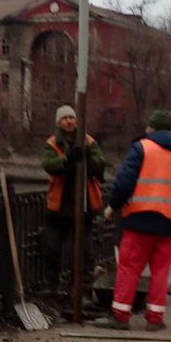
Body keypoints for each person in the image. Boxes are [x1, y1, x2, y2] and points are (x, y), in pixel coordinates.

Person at [96, 110, 171, 331]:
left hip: (140, 219)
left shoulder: (142, 148)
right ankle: (155, 319)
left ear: (151, 128)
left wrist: (112, 206)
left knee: (129, 267)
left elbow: (124, 182)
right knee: (161, 271)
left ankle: (121, 316)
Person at [41, 104, 106, 300]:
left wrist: (88, 158)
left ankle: (82, 290)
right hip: (58, 206)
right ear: (58, 122)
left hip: (84, 204)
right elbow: (48, 164)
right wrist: (67, 160)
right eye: (65, 118)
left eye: (72, 118)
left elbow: (100, 164)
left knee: (84, 251)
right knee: (52, 248)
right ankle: (52, 286)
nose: (69, 121)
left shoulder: (88, 141)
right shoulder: (52, 143)